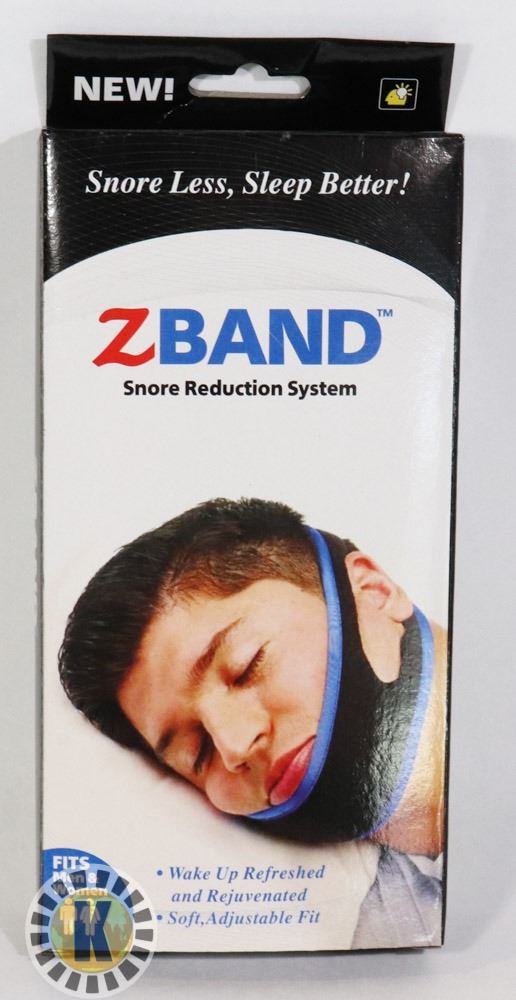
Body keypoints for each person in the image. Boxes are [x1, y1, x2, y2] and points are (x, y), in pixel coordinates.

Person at [58, 497, 448, 946]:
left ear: (373, 590)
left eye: (247, 666)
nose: (234, 745)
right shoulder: (378, 940)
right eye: (198, 753)